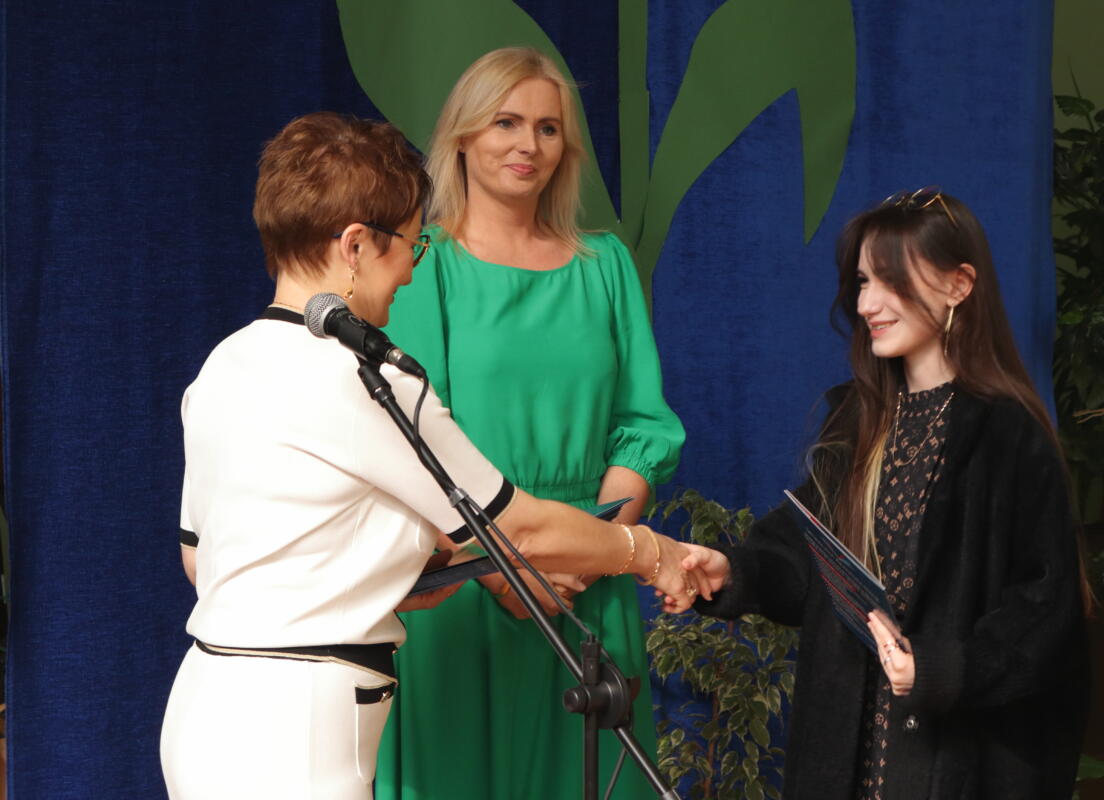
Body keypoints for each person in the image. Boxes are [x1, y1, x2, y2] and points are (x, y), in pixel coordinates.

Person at [159, 112, 701, 800]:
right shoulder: (366, 379)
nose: (412, 272)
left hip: (205, 707)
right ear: (356, 245)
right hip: (301, 730)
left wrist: (392, 571)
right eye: (410, 246)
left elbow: (204, 561)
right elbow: (521, 526)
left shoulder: (224, 365)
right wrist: (652, 553)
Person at [671, 189, 1090, 799]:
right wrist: (733, 572)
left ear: (959, 284)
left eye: (891, 280)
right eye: (864, 281)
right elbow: (802, 556)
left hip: (952, 765)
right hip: (842, 753)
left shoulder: (1009, 434)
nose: (867, 303)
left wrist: (942, 671)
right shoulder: (856, 420)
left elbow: (1045, 610)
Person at [376, 48, 685, 800]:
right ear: (462, 136)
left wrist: (588, 555)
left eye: (548, 128)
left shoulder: (605, 265)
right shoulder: (423, 264)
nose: (529, 145)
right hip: (467, 582)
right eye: (506, 123)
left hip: (587, 587)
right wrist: (508, 571)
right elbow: (411, 442)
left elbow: (642, 428)